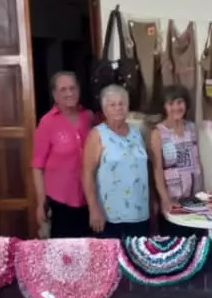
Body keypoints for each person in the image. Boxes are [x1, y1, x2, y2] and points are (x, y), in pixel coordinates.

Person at [82, 84, 151, 239]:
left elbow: (146, 170)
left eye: (121, 104)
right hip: (110, 216)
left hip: (140, 214)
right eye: (112, 105)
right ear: (104, 110)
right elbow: (87, 173)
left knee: (138, 253)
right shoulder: (97, 134)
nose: (118, 108)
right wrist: (93, 209)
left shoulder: (137, 133)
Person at [32, 71, 94, 239]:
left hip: (88, 199)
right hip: (60, 202)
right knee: (63, 250)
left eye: (73, 88)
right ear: (55, 95)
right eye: (63, 89)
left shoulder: (88, 117)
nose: (69, 93)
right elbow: (37, 167)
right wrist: (40, 202)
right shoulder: (47, 123)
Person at [149, 85, 204, 236]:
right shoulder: (158, 132)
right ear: (164, 107)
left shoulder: (192, 128)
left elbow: (197, 161)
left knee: (197, 241)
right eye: (171, 103)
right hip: (172, 200)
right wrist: (165, 199)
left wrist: (202, 195)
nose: (176, 107)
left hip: (194, 199)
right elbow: (157, 169)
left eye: (180, 102)